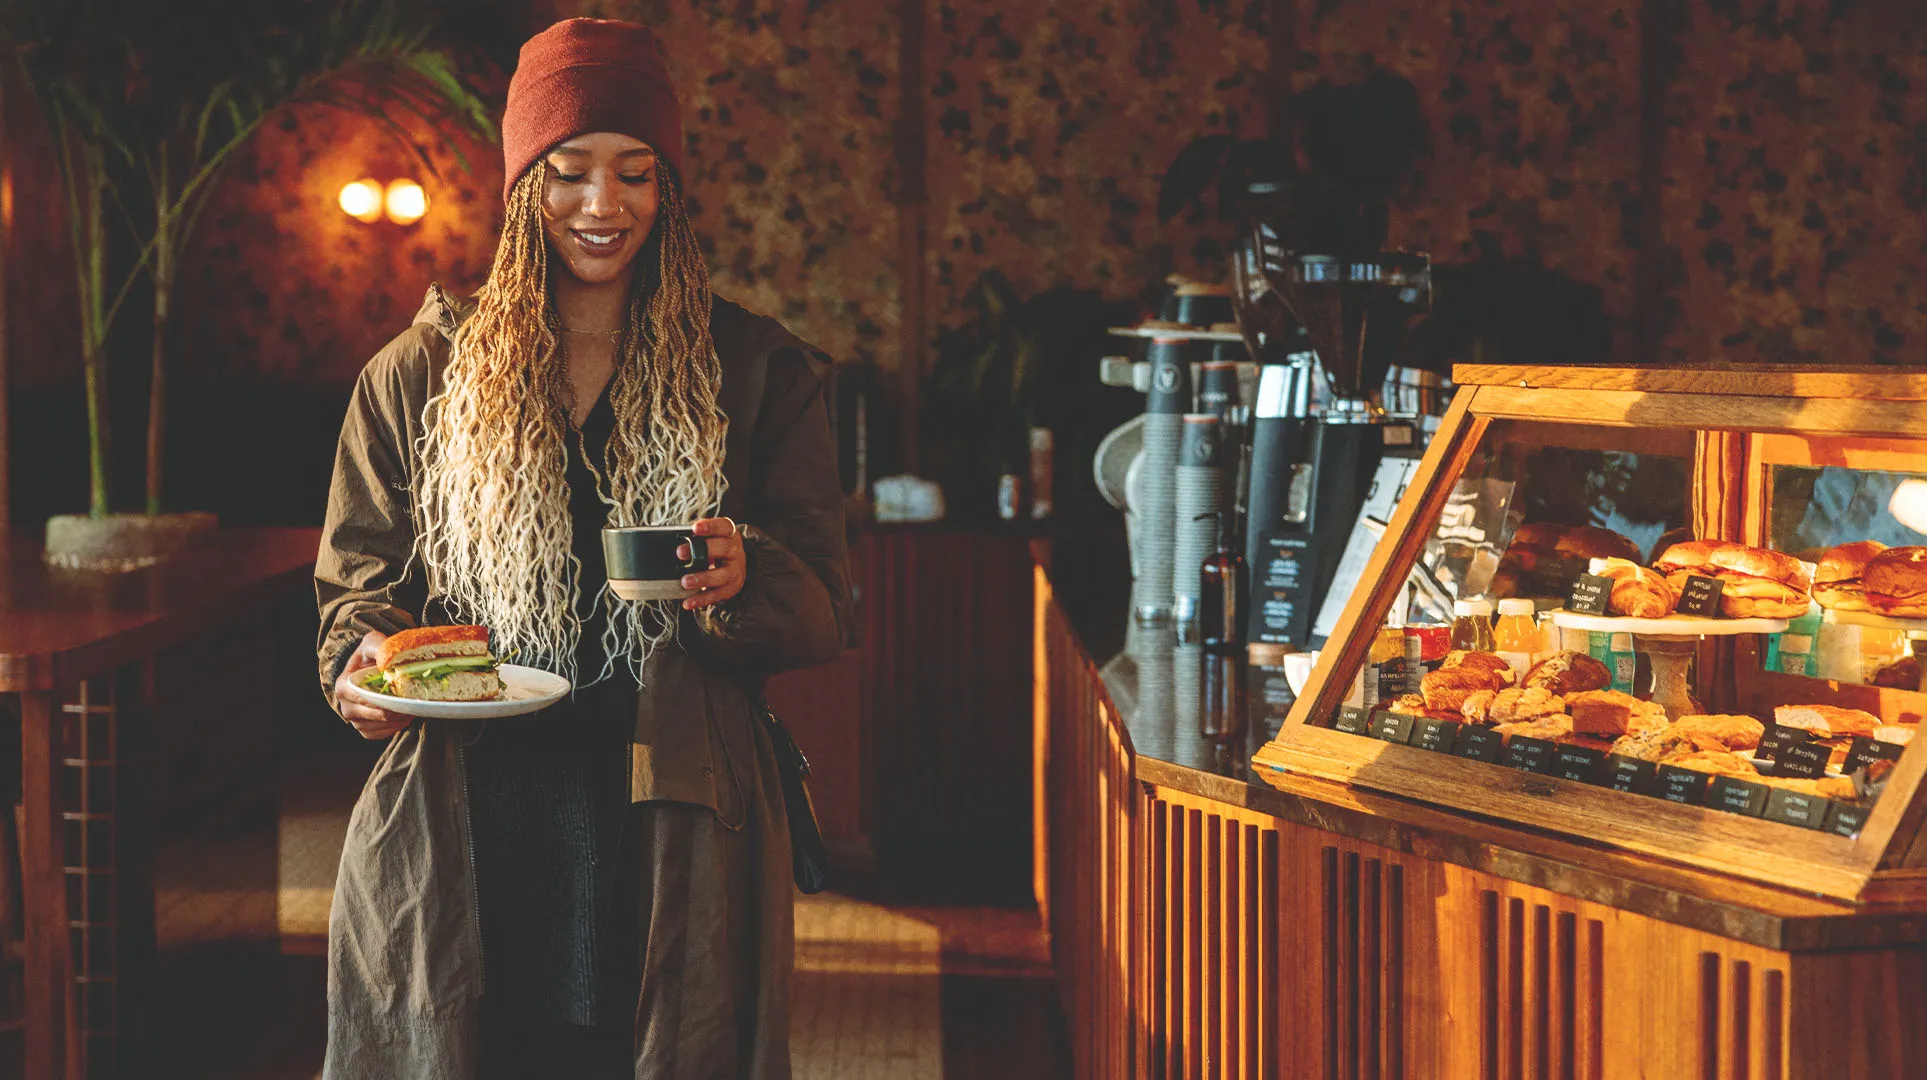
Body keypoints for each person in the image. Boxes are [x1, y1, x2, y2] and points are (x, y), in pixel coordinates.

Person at [312, 18, 849, 1079]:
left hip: (673, 806)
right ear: (522, 186)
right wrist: (363, 665)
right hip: (471, 804)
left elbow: (825, 601)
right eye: (569, 174)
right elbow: (359, 592)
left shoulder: (755, 368)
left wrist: (747, 576)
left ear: (670, 187)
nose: (604, 207)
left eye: (636, 174)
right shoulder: (419, 374)